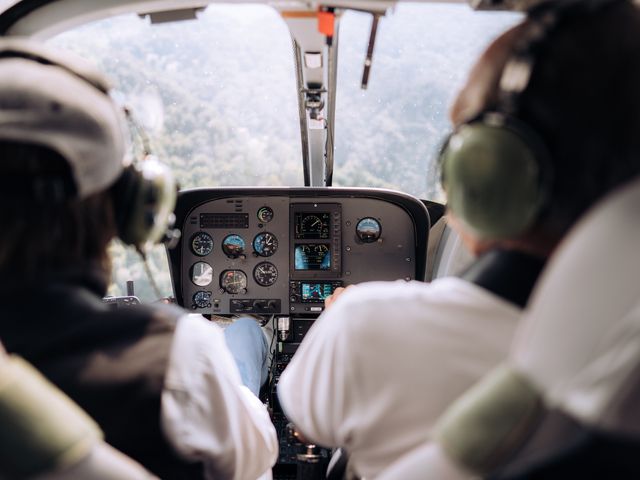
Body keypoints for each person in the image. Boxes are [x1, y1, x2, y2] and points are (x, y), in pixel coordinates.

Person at [277, 0, 640, 477]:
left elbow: (306, 423)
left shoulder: (365, 325)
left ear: (486, 171)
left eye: (461, 141)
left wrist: (339, 317)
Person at [0, 38, 277, 479]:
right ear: (127, 206)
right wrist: (201, 348)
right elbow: (256, 458)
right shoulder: (171, 352)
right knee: (242, 344)